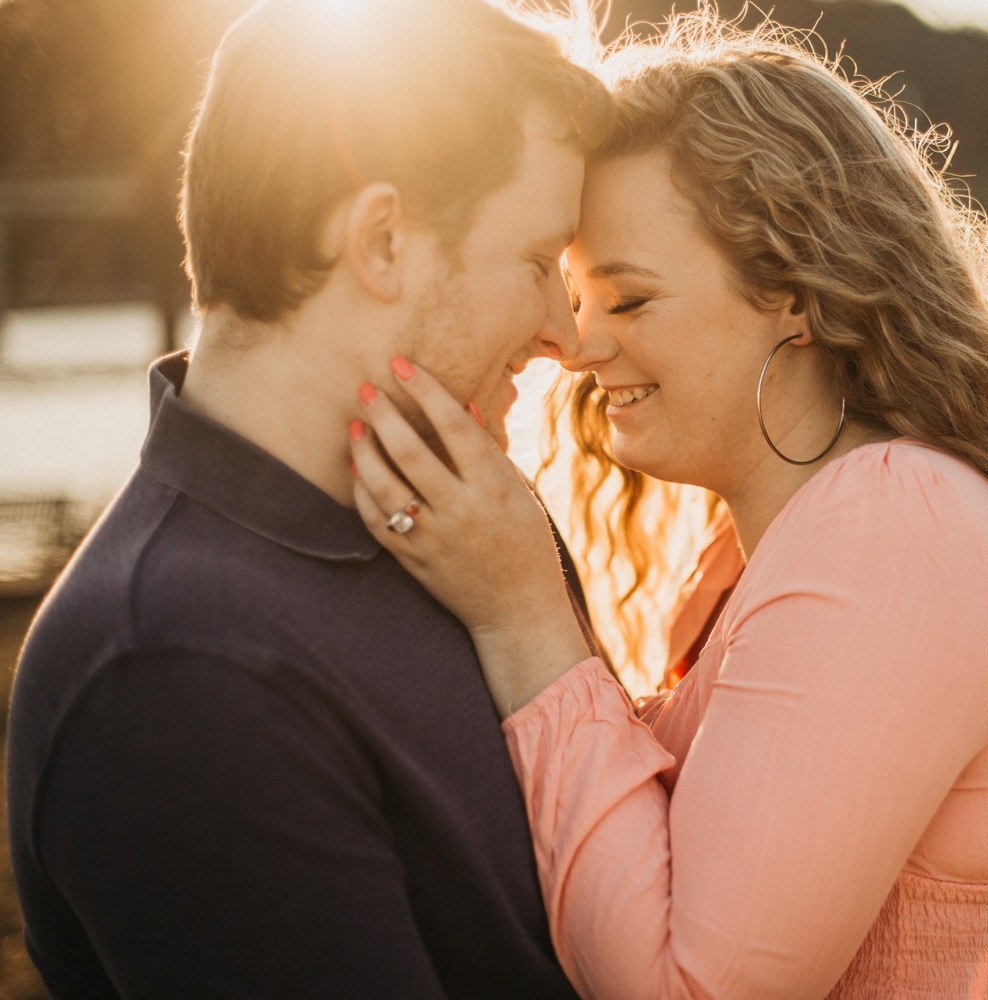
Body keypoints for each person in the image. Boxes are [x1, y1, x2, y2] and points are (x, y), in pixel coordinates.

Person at [350, 13, 988, 999]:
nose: (577, 344)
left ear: (799, 292)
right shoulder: (783, 544)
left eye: (631, 299)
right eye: (571, 295)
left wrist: (523, 615)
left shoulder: (890, 529)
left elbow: (691, 986)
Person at [5, 1, 610, 996]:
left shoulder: (479, 531)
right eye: (540, 264)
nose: (565, 335)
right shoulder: (173, 666)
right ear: (380, 241)